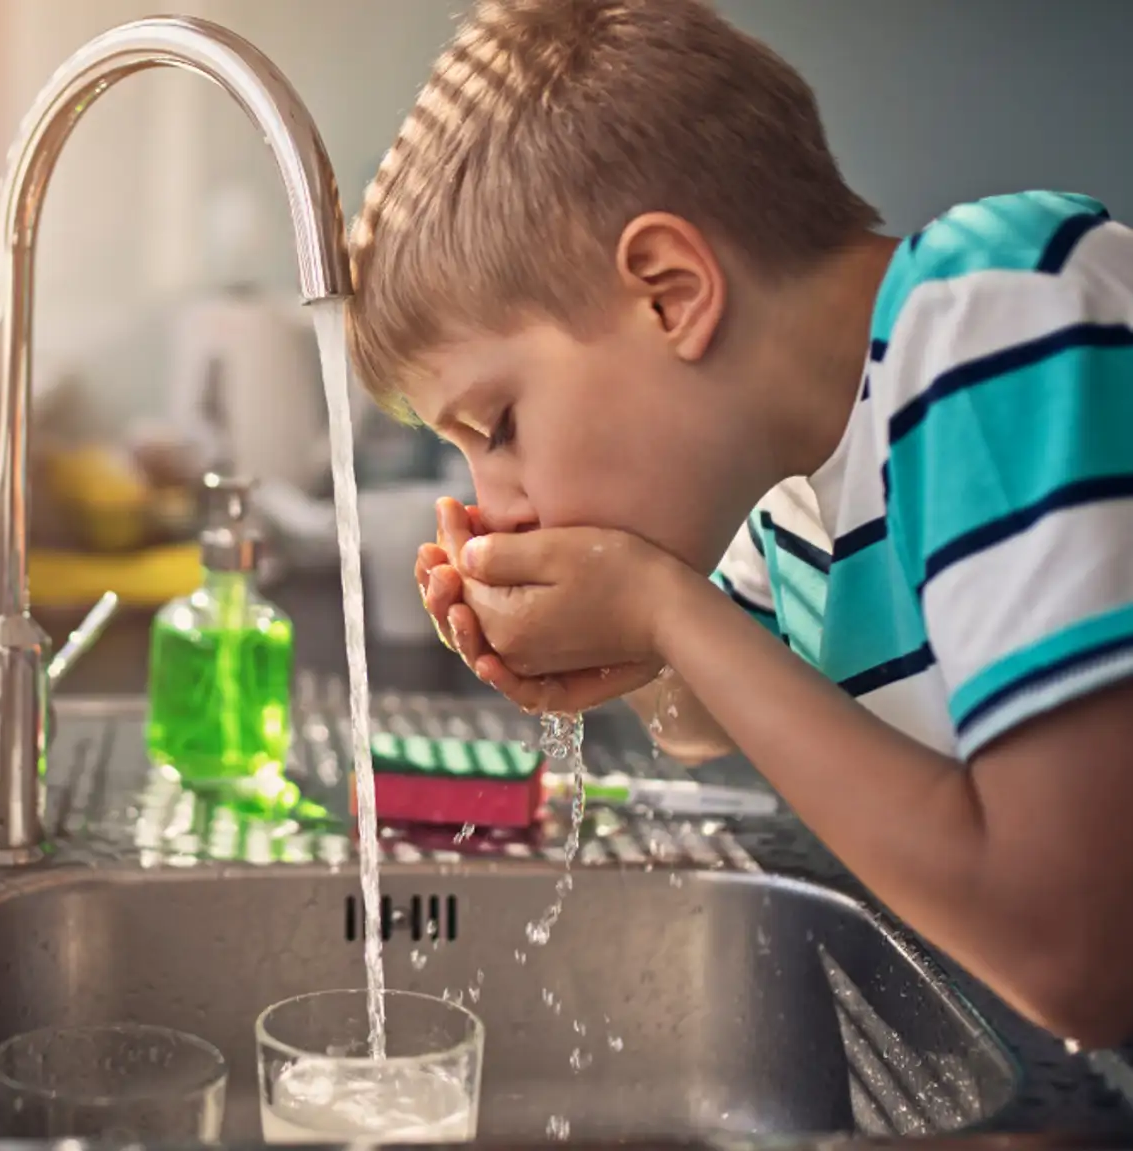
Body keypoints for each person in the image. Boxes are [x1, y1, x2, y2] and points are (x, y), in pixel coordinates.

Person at [345, 0, 1133, 1047]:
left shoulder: (998, 312)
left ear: (670, 294)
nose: (495, 503)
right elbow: (711, 716)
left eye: (496, 424)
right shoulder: (790, 484)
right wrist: (622, 648)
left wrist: (664, 612)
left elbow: (1074, 953)